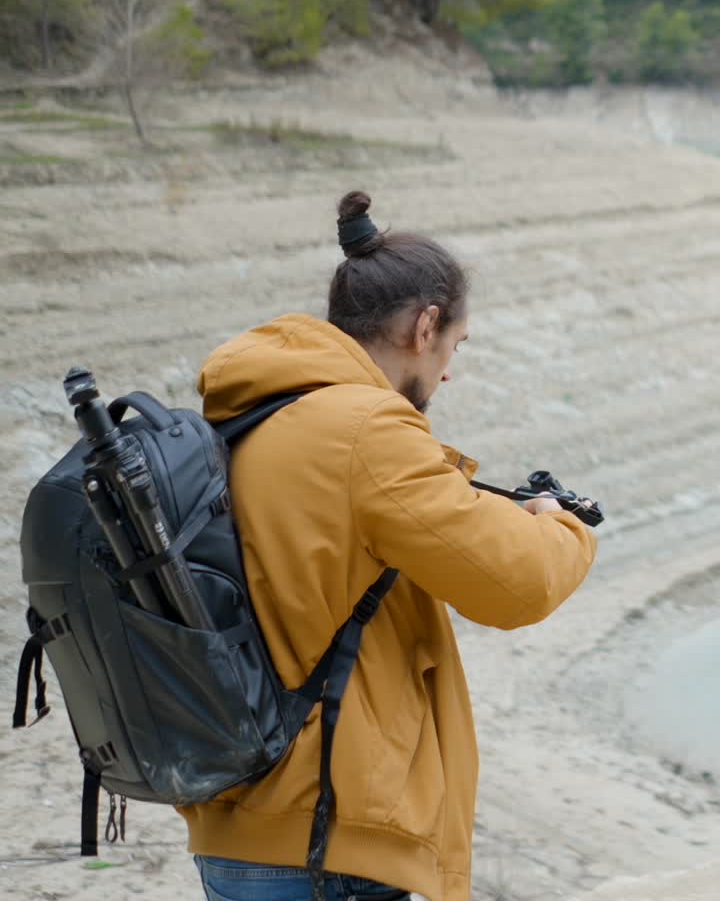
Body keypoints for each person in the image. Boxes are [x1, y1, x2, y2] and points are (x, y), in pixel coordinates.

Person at [181, 190, 597, 901]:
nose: (448, 371)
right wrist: (562, 525)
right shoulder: (364, 429)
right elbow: (516, 582)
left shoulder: (255, 412)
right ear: (424, 325)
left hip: (234, 821)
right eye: (453, 347)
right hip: (328, 839)